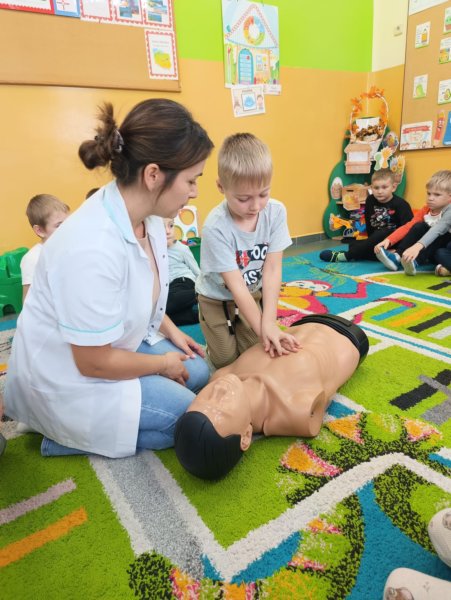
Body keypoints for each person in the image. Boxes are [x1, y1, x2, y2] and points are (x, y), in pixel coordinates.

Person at [4, 98, 214, 458]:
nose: (194, 192)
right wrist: (160, 364)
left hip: (113, 345)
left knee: (197, 373)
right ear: (153, 175)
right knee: (185, 419)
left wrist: (172, 332)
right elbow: (92, 362)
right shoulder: (91, 246)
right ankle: (60, 434)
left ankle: (106, 416)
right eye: (191, 180)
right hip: (70, 374)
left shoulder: (146, 216)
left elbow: (140, 294)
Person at [174, 314, 368, 480]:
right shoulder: (295, 410)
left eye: (202, 400)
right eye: (220, 409)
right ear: (246, 436)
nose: (217, 391)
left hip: (302, 322)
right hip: (350, 337)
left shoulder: (220, 377)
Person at [195, 133, 300, 370]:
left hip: (252, 293)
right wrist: (265, 331)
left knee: (257, 352)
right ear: (221, 187)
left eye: (263, 194)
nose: (255, 206)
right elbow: (236, 286)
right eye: (243, 198)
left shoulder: (276, 212)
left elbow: (272, 270)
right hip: (215, 298)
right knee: (225, 360)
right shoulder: (215, 226)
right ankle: (211, 334)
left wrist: (269, 324)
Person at [320, 169, 413, 263]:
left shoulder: (402, 205)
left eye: (384, 187)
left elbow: (409, 231)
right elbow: (369, 224)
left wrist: (399, 250)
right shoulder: (370, 200)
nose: (380, 191)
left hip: (394, 242)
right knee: (353, 245)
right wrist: (370, 243)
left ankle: (345, 256)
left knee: (383, 232)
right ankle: (384, 254)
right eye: (376, 188)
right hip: (375, 240)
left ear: (393, 187)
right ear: (371, 188)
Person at [374, 170, 451, 275]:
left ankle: (416, 262)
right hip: (432, 250)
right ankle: (397, 257)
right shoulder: (427, 209)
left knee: (440, 252)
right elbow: (409, 226)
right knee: (419, 226)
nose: (430, 198)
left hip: (445, 247)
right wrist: (389, 240)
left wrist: (416, 247)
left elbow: (438, 230)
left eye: (437, 195)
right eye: (429, 193)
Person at [20, 194, 70, 301]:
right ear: (39, 231)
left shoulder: (68, 249)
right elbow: (28, 301)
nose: (67, 228)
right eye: (59, 225)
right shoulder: (33, 259)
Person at [164, 217, 201, 326]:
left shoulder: (182, 248)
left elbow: (196, 270)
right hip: (169, 288)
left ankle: (202, 294)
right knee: (160, 315)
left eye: (171, 226)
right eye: (161, 228)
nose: (168, 231)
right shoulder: (154, 251)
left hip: (183, 281)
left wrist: (202, 286)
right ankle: (197, 315)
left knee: (168, 303)